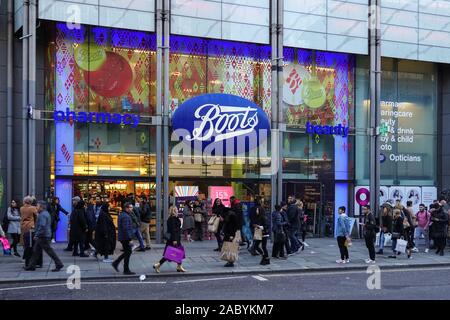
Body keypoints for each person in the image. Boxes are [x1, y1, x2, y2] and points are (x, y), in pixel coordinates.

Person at [24, 201, 64, 272]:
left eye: (38, 206)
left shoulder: (42, 215)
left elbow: (42, 226)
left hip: (43, 236)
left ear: (41, 207)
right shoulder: (45, 213)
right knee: (36, 251)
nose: (36, 207)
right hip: (44, 235)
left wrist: (37, 234)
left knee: (49, 251)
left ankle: (59, 264)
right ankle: (31, 266)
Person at [153, 205, 186, 273]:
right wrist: (174, 240)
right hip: (174, 239)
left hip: (176, 238)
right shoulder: (172, 219)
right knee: (170, 254)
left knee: (179, 252)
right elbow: (173, 230)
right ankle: (158, 265)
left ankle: (179, 266)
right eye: (176, 209)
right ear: (174, 211)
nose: (177, 210)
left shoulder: (174, 218)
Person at [112, 202, 136, 275]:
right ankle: (126, 270)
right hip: (125, 238)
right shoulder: (126, 216)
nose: (132, 209)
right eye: (130, 207)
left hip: (123, 237)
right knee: (128, 252)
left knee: (127, 252)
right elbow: (126, 229)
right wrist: (130, 239)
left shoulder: (123, 214)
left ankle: (116, 263)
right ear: (126, 208)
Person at [21, 196, 42, 268]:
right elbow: (38, 216)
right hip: (31, 227)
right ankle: (32, 262)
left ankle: (28, 262)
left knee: (26, 244)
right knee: (31, 245)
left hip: (23, 227)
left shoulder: (22, 208)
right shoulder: (33, 208)